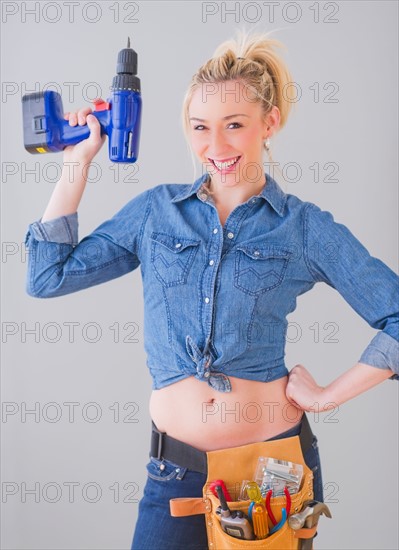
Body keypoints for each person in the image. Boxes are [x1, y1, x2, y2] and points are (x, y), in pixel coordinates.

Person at [24, 30, 398, 550]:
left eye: (234, 126)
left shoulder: (303, 227)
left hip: (271, 476)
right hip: (173, 475)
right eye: (200, 127)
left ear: (270, 123)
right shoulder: (156, 213)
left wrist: (328, 396)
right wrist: (77, 162)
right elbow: (48, 277)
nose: (215, 147)